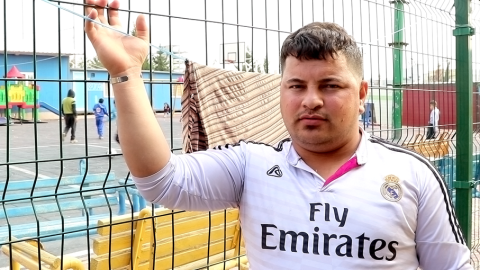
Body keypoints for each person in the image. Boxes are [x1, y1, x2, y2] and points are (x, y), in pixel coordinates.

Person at [84, 1, 471, 269]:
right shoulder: (252, 165)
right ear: (281, 90)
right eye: (296, 86)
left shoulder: (413, 175)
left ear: (362, 93)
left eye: (331, 85)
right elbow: (159, 182)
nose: (311, 100)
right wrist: (127, 74)